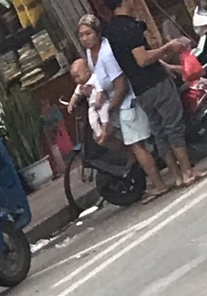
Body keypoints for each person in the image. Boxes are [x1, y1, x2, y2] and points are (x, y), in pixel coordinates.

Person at [99, 0, 200, 190]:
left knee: (160, 132)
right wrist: (168, 48)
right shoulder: (130, 27)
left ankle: (177, 175)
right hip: (155, 83)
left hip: (140, 90)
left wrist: (164, 64)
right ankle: (188, 172)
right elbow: (142, 59)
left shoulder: (111, 31)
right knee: (173, 126)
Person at [72, 12, 169, 201]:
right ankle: (137, 163)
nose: (85, 38)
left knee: (135, 145)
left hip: (125, 102)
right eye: (81, 35)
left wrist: (109, 110)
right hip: (111, 102)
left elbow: (121, 85)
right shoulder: (90, 54)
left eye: (88, 33)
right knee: (102, 137)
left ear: (97, 33)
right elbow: (97, 79)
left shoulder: (107, 54)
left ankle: (159, 185)